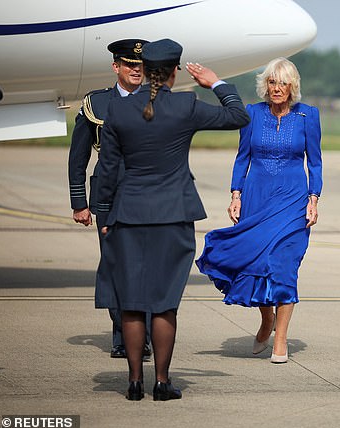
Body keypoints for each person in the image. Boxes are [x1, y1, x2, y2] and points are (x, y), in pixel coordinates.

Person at [94, 38, 250, 401]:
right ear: (175, 71)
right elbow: (238, 116)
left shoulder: (117, 110)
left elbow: (108, 169)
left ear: (145, 69)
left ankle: (134, 383)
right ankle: (162, 382)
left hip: (129, 215)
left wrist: (105, 213)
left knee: (131, 303)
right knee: (164, 303)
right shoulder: (185, 105)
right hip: (172, 216)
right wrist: (217, 83)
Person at [195, 57, 322, 364]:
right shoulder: (252, 113)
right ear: (265, 85)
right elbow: (242, 158)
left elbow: (315, 161)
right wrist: (235, 195)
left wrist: (314, 198)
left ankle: (280, 338)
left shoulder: (309, 116)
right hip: (257, 196)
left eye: (282, 82)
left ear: (293, 86)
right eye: (271, 82)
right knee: (258, 262)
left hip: (293, 200)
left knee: (284, 266)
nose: (276, 88)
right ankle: (267, 319)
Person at [67, 38, 152, 360]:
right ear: (116, 66)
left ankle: (141, 334)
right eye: (129, 65)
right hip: (109, 194)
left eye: (140, 66)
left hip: (149, 193)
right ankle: (122, 335)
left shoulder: (159, 100)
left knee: (146, 267)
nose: (136, 70)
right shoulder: (96, 103)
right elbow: (78, 156)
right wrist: (79, 201)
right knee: (118, 266)